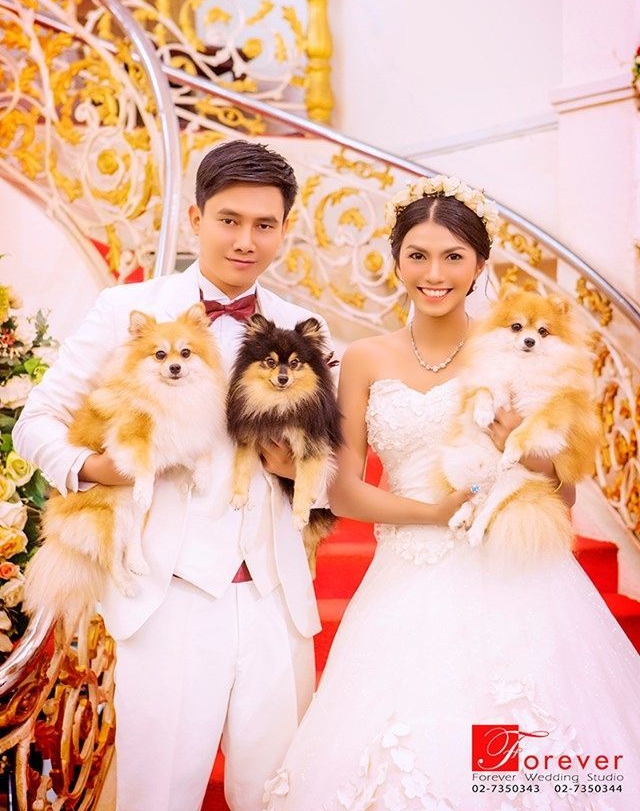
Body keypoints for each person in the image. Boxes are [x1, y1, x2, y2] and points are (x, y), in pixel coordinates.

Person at [262, 174, 640, 811]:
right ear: (397, 262)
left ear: (479, 266)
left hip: (516, 571)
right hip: (407, 575)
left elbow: (565, 495)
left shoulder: (516, 351)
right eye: (418, 255)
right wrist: (434, 514)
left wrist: (519, 439)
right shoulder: (365, 359)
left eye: (453, 257)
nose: (434, 274)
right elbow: (345, 492)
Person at [13, 140, 334, 811]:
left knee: (280, 795)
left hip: (276, 595)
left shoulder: (304, 329)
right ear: (195, 218)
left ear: (284, 230)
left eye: (264, 224)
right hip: (166, 594)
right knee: (156, 795)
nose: (245, 240)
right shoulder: (126, 309)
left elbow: (332, 462)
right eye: (229, 219)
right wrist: (99, 469)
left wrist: (298, 468)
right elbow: (34, 422)